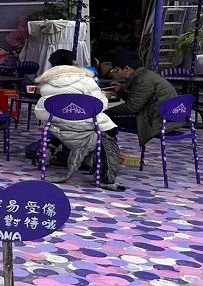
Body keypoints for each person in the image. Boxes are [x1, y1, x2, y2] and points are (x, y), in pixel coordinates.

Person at [33, 49, 121, 188]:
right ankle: (101, 169)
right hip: (86, 125)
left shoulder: (46, 83)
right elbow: (100, 105)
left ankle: (52, 149)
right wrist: (104, 96)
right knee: (109, 128)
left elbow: (40, 112)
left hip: (58, 126)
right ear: (74, 62)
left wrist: (60, 115)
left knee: (64, 122)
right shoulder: (86, 80)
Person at [105, 52, 181, 145]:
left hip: (159, 122)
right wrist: (121, 90)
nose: (116, 73)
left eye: (117, 69)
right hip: (166, 118)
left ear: (127, 69)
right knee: (110, 117)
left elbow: (132, 107)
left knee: (106, 120)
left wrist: (107, 111)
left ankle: (108, 152)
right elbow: (137, 100)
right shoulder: (146, 75)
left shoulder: (142, 80)